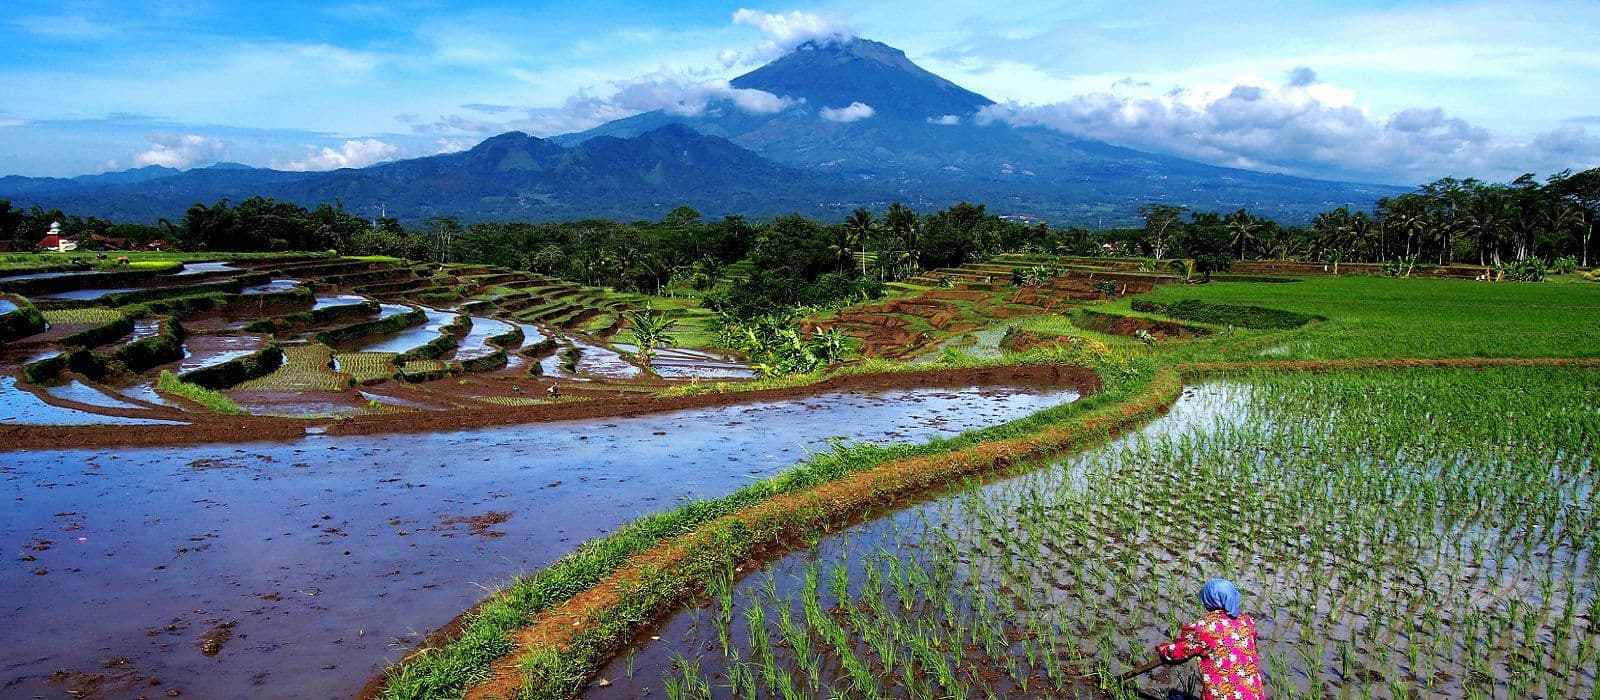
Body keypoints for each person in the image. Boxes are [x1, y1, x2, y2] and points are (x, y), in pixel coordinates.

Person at [1155, 578, 1265, 700]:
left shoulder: (1204, 627)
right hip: (1255, 695)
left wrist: (1164, 649)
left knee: (1173, 697)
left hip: (1220, 695)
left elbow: (1176, 653)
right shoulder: (1247, 622)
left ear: (1208, 601)